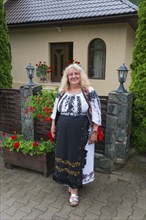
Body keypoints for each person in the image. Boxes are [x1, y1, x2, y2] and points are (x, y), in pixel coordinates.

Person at [51, 63, 101, 207]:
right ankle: (70, 182)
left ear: (81, 76)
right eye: (70, 74)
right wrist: (53, 126)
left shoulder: (88, 91)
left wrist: (94, 132)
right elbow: (56, 111)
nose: (73, 76)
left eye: (76, 74)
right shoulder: (62, 91)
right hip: (63, 132)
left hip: (81, 133)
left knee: (76, 157)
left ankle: (74, 191)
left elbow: (96, 112)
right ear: (67, 77)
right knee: (65, 155)